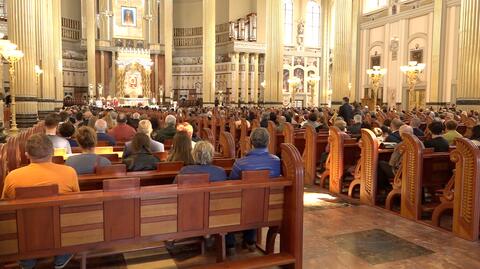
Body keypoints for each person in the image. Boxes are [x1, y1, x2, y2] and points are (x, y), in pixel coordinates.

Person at [1, 134, 78, 269]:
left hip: (26, 234)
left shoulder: (12, 176)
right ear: (53, 152)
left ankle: (27, 258)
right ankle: (61, 254)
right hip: (59, 230)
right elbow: (75, 201)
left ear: (26, 154)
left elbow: (5, 207)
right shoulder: (69, 172)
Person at [227, 128, 281, 255]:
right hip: (269, 207)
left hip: (245, 206)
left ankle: (230, 243)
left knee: (235, 201)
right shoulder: (277, 162)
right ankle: (250, 240)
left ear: (251, 142)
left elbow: (230, 185)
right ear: (268, 141)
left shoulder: (240, 163)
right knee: (255, 199)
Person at [377, 125, 414, 190]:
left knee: (379, 164)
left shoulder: (401, 145)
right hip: (416, 172)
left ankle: (385, 188)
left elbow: (392, 163)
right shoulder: (420, 144)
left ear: (401, 134)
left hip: (402, 173)